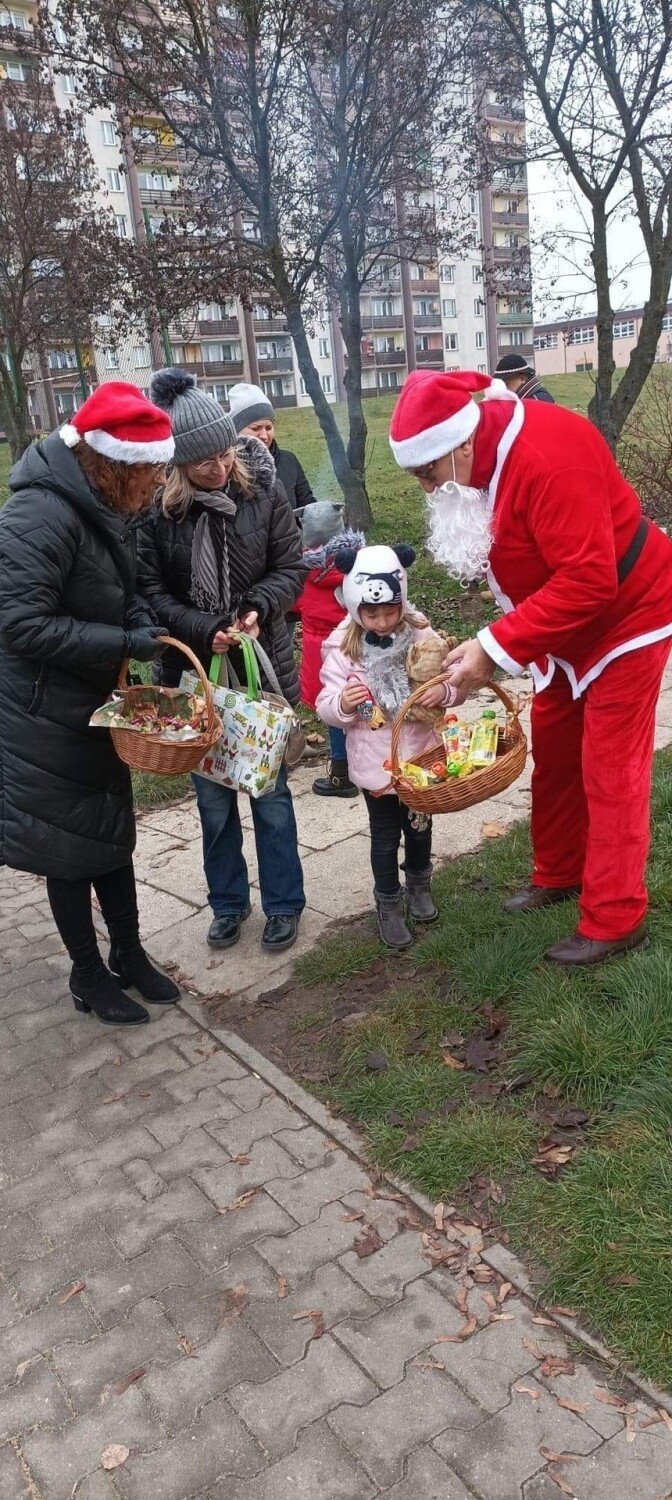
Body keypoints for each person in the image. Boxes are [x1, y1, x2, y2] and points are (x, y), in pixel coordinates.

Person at [389, 368, 672, 965]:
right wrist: (489, 651)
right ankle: (562, 871)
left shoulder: (547, 456)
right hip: (566, 631)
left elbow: (591, 578)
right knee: (558, 751)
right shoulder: (479, 460)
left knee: (610, 766)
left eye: (428, 472)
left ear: (462, 441)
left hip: (629, 614)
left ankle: (616, 918)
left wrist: (494, 647)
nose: (424, 488)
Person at [0, 383, 181, 1026]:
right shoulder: (38, 516)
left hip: (94, 704)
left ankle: (129, 955)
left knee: (110, 836)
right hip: (43, 714)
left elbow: (113, 583)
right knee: (69, 851)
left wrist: (137, 618)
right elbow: (18, 624)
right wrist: (121, 639)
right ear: (112, 462)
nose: (158, 482)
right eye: (151, 471)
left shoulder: (100, 505)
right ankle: (87, 973)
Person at [137, 369, 308, 954]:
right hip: (195, 675)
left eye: (221, 453)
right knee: (213, 801)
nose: (217, 467)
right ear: (177, 465)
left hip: (260, 665)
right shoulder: (159, 510)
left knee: (272, 794)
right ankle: (228, 904)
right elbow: (150, 592)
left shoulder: (263, 486)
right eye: (201, 462)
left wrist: (259, 607)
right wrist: (204, 628)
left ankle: (284, 904)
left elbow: (292, 565)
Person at [316, 542, 465, 948]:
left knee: (419, 825)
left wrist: (445, 694)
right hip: (374, 762)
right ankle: (388, 901)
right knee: (383, 835)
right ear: (354, 608)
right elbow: (324, 705)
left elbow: (452, 681)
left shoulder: (421, 635)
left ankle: (419, 883)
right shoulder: (342, 649)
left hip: (420, 756)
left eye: (389, 611)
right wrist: (341, 706)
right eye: (371, 613)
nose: (382, 622)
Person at [293, 500, 363, 799]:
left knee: (333, 708)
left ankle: (340, 772)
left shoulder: (299, 574)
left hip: (319, 651)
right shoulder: (357, 567)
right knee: (362, 700)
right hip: (354, 643)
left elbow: (294, 605)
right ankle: (372, 759)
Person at [227, 381, 317, 512]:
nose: (264, 435)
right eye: (255, 428)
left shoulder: (289, 460)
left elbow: (307, 503)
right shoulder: (228, 469)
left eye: (268, 427)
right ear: (237, 430)